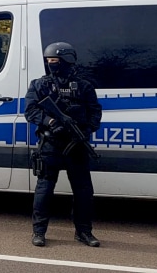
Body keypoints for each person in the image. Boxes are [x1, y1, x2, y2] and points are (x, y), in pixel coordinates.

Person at [25, 42, 102, 247]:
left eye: (55, 61)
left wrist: (85, 131)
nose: (51, 64)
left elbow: (95, 112)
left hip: (76, 146)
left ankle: (84, 232)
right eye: (49, 61)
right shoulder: (39, 85)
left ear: (67, 61)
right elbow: (31, 111)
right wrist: (51, 122)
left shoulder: (84, 86)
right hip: (51, 144)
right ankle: (39, 232)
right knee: (44, 190)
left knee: (84, 191)